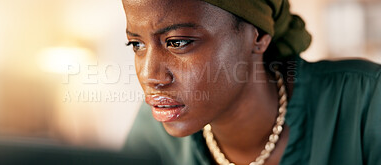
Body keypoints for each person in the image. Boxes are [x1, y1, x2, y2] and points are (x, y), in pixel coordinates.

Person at [120, 0, 381, 165]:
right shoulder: (154, 132)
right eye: (137, 44)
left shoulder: (367, 104)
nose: (149, 75)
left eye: (178, 42)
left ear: (259, 37)